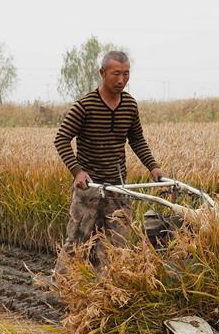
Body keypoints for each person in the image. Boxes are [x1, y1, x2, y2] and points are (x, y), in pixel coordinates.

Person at [53, 50, 165, 271]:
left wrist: (153, 167)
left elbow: (136, 139)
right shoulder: (85, 106)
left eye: (126, 73)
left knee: (117, 246)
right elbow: (61, 139)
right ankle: (60, 285)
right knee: (77, 243)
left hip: (118, 187)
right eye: (116, 73)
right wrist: (77, 171)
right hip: (90, 187)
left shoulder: (129, 105)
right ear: (102, 73)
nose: (121, 80)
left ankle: (106, 286)